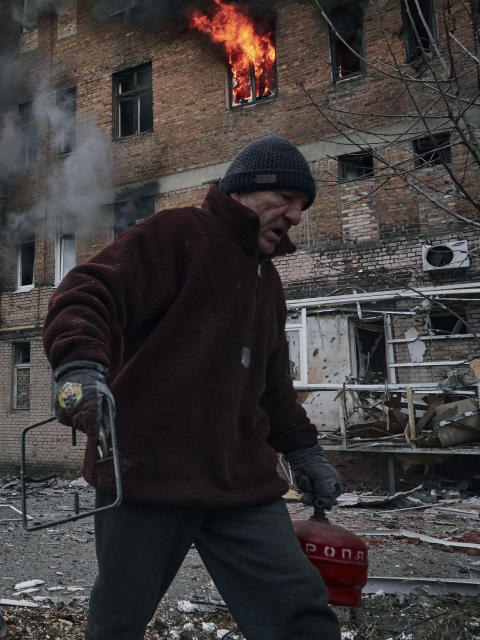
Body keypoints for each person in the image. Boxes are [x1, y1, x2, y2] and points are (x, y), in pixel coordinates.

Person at [43, 135, 343, 639]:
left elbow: (272, 387)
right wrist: (79, 369)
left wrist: (306, 451)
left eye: (302, 207)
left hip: (241, 483)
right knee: (119, 619)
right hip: (148, 474)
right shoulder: (178, 234)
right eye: (288, 200)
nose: (296, 216)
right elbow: (86, 291)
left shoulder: (266, 281)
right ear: (246, 190)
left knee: (300, 613)